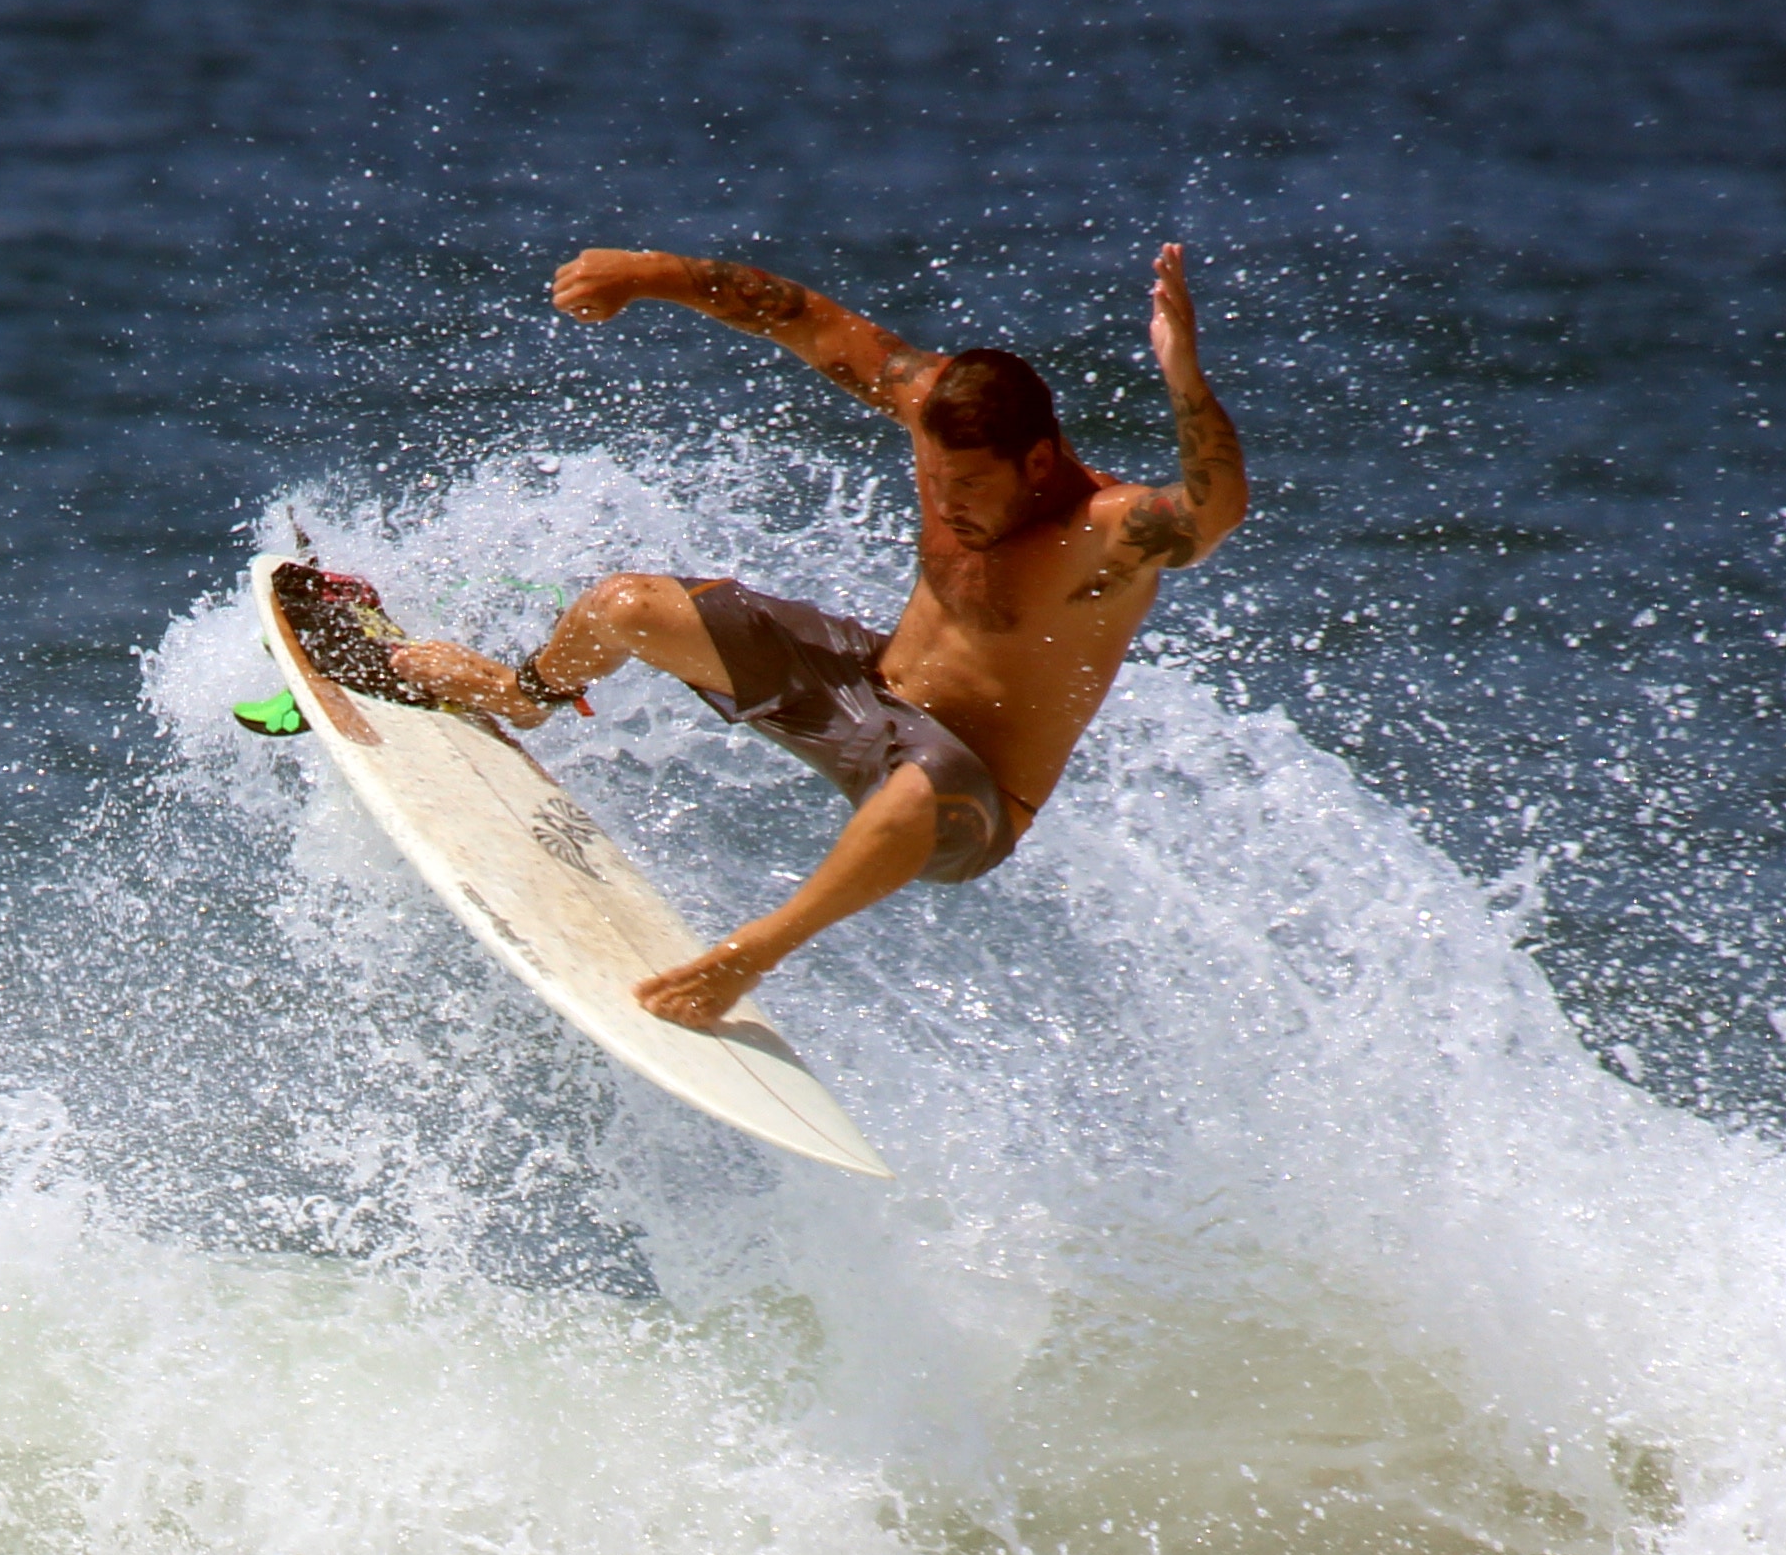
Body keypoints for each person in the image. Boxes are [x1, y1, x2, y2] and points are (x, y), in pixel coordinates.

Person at [387, 243, 1247, 1029]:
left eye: (973, 487)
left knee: (917, 787)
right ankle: (519, 695)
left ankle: (747, 957)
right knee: (625, 605)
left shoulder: (1104, 534)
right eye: (937, 479)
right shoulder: (936, 407)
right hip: (863, 686)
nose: (949, 505)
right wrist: (649, 274)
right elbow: (803, 317)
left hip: (969, 802)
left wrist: (1183, 376)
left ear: (1036, 462)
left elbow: (1213, 512)